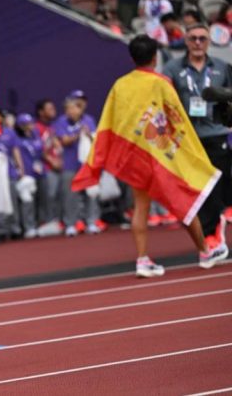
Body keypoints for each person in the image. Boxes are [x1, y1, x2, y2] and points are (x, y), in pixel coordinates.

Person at [73, 35, 226, 277]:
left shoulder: (120, 85)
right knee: (182, 202)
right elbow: (177, 118)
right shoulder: (161, 83)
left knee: (141, 207)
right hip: (161, 157)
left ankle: (143, 260)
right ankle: (205, 251)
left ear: (132, 58)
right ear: (155, 58)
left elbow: (111, 119)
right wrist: (186, 148)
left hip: (135, 155)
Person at [163, 23, 232, 261]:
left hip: (217, 133)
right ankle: (211, 231)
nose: (198, 43)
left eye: (202, 38)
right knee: (197, 187)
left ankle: (213, 231)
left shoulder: (221, 67)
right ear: (186, 41)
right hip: (189, 138)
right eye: (193, 38)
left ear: (209, 41)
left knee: (218, 184)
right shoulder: (172, 68)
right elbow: (165, 98)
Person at [53, 97, 101, 236]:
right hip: (69, 164)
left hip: (87, 164)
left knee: (91, 193)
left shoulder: (89, 120)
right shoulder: (61, 121)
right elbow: (64, 141)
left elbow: (95, 139)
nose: (71, 111)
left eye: (74, 108)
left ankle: (91, 222)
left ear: (80, 109)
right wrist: (78, 134)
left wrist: (88, 133)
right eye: (68, 108)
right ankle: (70, 224)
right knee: (70, 195)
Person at [15, 113, 45, 238]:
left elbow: (40, 151)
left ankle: (40, 224)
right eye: (26, 124)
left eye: (31, 123)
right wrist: (20, 170)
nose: (30, 125)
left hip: (38, 171)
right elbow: (16, 155)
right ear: (21, 126)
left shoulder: (35, 135)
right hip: (26, 173)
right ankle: (29, 227)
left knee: (41, 199)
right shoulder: (17, 139)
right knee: (27, 201)